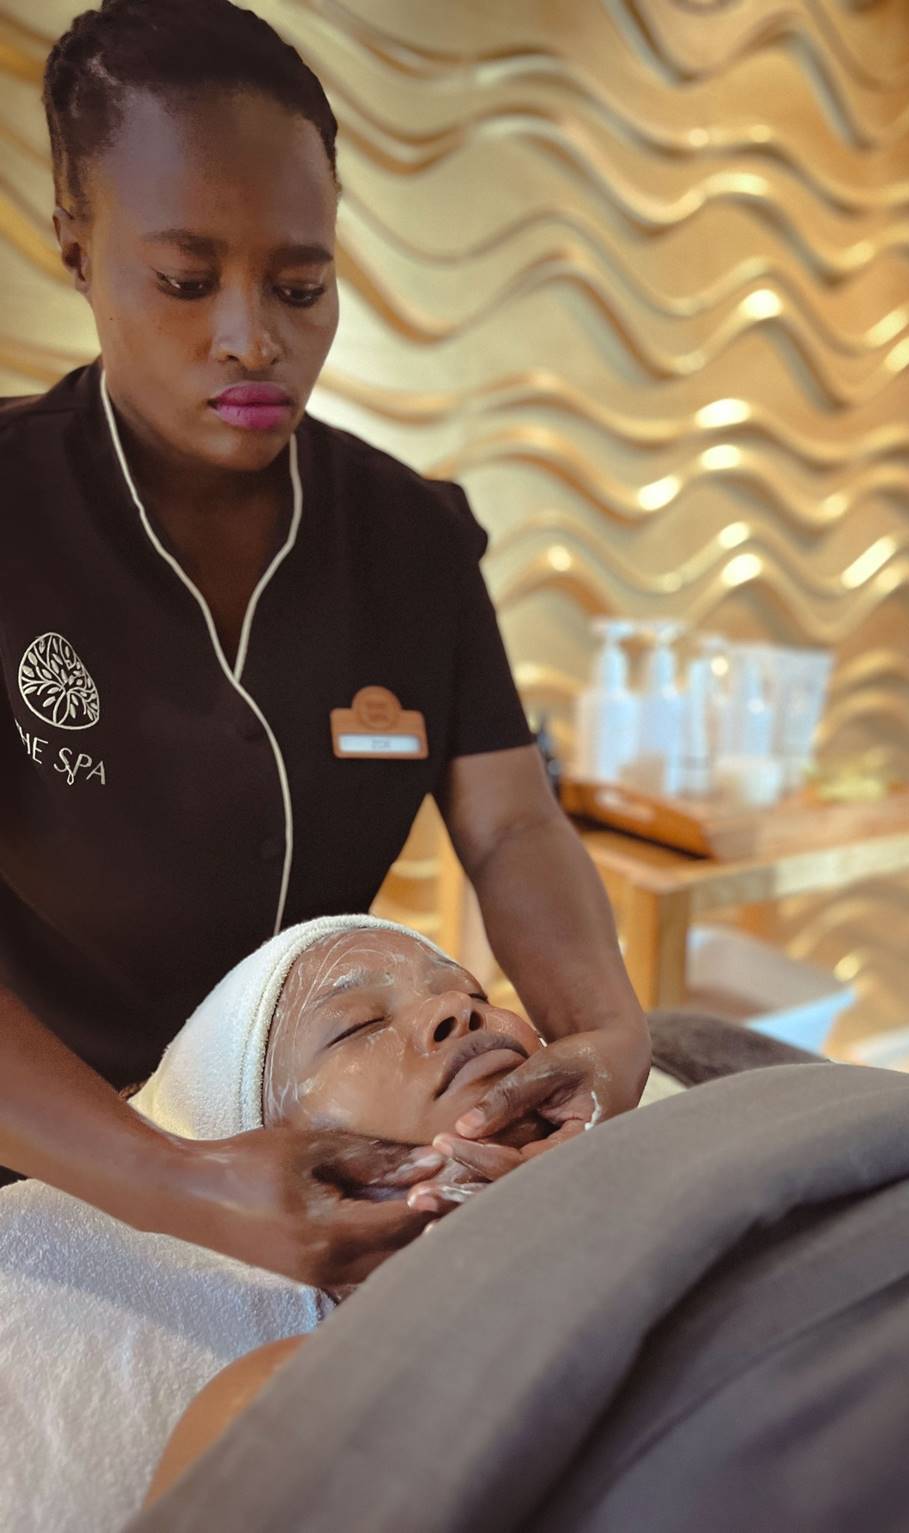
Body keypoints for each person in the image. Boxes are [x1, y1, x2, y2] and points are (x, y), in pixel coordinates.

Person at [1, 0, 650, 1288]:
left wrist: (604, 1026)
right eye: (187, 281)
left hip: (343, 1145)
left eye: (301, 285)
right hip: (51, 1156)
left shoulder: (411, 538)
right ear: (77, 246)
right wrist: (170, 1178)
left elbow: (511, 825)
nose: (253, 337)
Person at [0, 912, 689, 1532]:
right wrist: (181, 1178)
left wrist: (617, 1031)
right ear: (263, 1150)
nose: (457, 1009)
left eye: (474, 993)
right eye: (356, 1026)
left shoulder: (688, 1183)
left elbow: (515, 828)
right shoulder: (293, 1413)